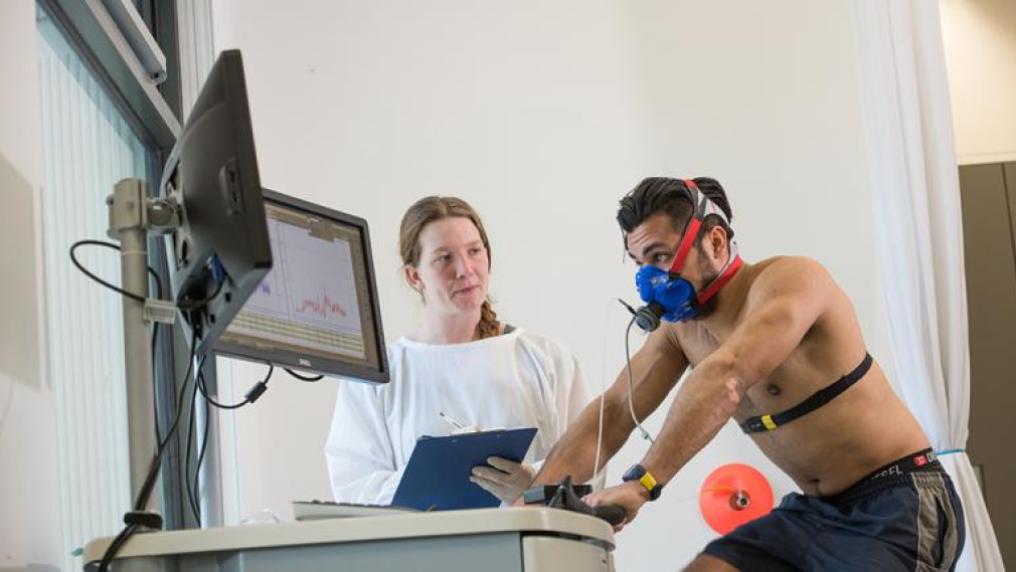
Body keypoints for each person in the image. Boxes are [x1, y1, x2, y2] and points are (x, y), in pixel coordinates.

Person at [533, 177, 965, 571]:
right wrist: (525, 507)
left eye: (661, 257)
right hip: (813, 512)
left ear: (715, 242)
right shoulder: (680, 332)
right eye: (640, 263)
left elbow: (727, 375)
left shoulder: (791, 281)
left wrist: (642, 484)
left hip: (898, 499)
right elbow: (614, 412)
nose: (650, 280)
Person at [325, 195, 594, 506]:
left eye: (474, 251)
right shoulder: (378, 376)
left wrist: (534, 482)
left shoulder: (546, 359)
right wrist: (439, 473)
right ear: (414, 276)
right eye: (444, 258)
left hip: (534, 547)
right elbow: (354, 486)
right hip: (425, 551)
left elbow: (590, 456)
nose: (465, 269)